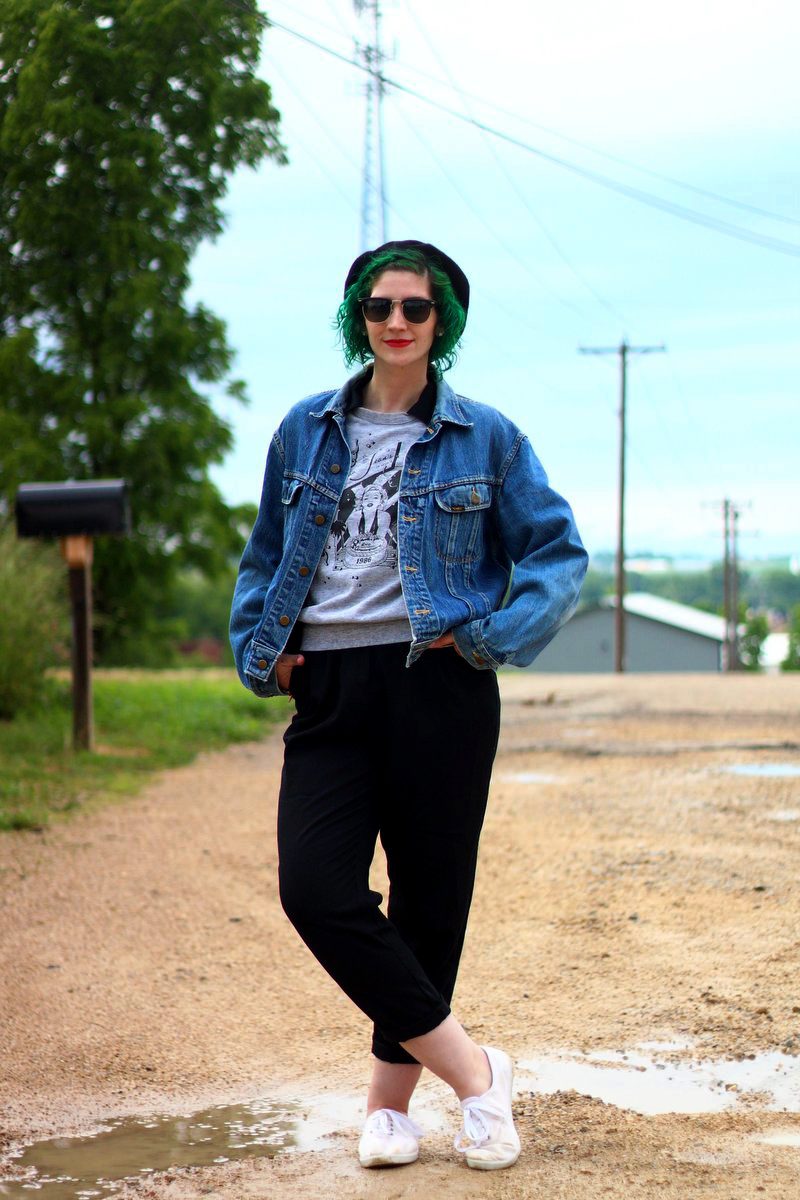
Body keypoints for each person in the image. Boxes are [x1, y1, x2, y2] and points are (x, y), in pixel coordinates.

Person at [230, 240, 587, 1171]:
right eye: (379, 306)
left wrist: (486, 639)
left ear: (442, 324)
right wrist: (266, 657)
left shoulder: (488, 437)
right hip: (330, 687)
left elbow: (557, 555)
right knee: (316, 891)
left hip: (440, 684)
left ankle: (388, 1111)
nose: (396, 321)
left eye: (415, 309)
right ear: (359, 316)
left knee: (431, 902)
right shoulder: (303, 429)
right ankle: (476, 1074)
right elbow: (265, 554)